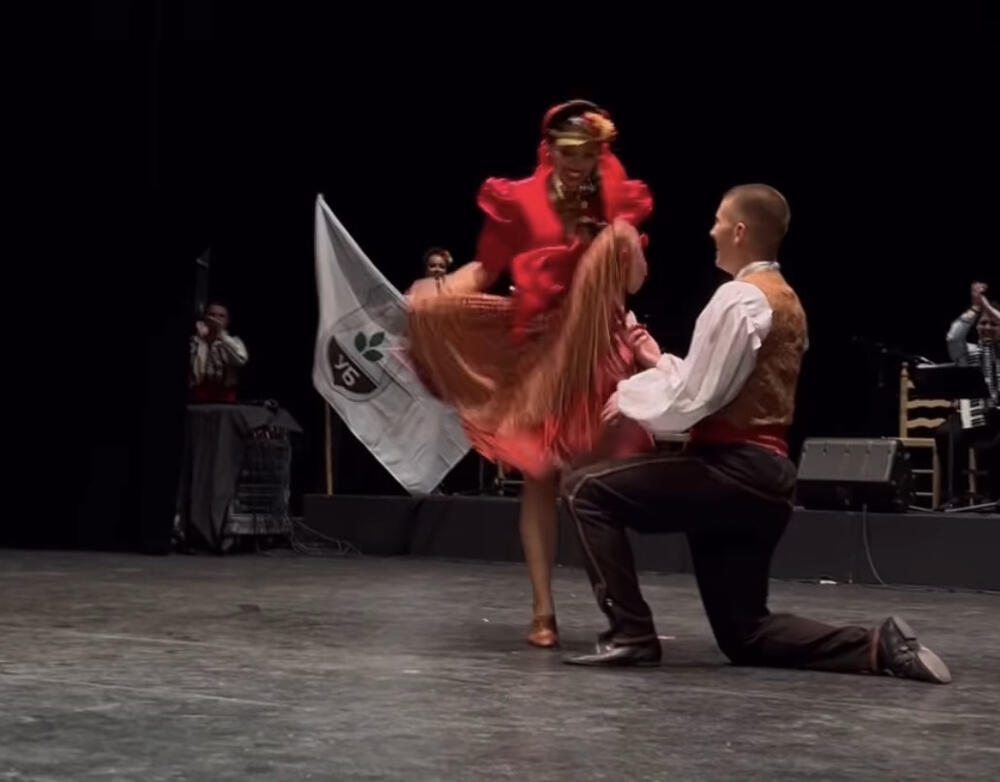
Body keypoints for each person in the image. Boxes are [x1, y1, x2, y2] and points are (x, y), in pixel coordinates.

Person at [559, 184, 951, 684]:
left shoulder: (739, 298)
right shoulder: (785, 300)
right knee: (744, 634)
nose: (712, 231)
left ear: (740, 231)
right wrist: (657, 362)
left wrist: (631, 396)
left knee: (584, 491)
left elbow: (697, 398)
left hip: (731, 470)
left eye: (719, 221)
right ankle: (877, 645)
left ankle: (631, 633)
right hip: (767, 481)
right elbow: (721, 381)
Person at [406, 100, 654, 647]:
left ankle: (620, 608)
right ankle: (543, 610)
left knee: (590, 485)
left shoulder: (614, 201)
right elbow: (486, 270)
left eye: (588, 154)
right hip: (540, 352)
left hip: (594, 355)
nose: (579, 164)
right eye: (569, 153)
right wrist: (436, 298)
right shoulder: (521, 201)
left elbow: (633, 282)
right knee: (539, 477)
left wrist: (618, 235)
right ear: (550, 149)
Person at [934, 281, 999, 503]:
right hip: (970, 413)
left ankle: (993, 497)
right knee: (946, 433)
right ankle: (955, 495)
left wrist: (987, 307)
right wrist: (975, 309)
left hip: (997, 419)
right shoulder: (969, 352)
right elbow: (953, 337)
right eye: (983, 323)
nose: (987, 327)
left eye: (994, 324)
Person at [190, 302, 249, 403]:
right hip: (198, 394)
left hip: (226, 396)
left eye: (221, 316)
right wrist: (200, 340)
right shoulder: (194, 341)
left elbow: (241, 360)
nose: (216, 319)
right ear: (205, 318)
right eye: (212, 315)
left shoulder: (235, 342)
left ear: (228, 321)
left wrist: (221, 335)